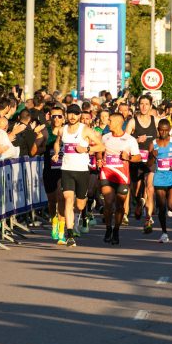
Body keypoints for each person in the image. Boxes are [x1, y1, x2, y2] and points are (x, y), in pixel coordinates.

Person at [52, 104, 104, 246]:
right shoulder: (62, 130)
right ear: (66, 115)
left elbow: (101, 146)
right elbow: (57, 143)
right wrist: (57, 153)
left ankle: (78, 215)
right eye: (70, 114)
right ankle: (69, 235)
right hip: (66, 169)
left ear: (79, 115)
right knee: (68, 199)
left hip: (82, 171)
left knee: (80, 204)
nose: (72, 117)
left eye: (75, 114)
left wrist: (86, 148)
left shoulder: (85, 130)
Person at [98, 112, 142, 246]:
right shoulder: (105, 137)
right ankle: (108, 229)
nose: (108, 122)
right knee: (108, 202)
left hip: (122, 176)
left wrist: (128, 157)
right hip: (107, 173)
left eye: (110, 120)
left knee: (119, 205)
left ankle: (116, 230)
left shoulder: (130, 139)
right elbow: (99, 149)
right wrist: (99, 158)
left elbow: (138, 157)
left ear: (118, 123)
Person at [150, 119, 172, 243]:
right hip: (159, 177)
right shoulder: (153, 143)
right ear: (158, 130)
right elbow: (149, 165)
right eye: (161, 130)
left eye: (166, 130)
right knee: (161, 206)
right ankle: (164, 232)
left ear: (169, 130)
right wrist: (152, 156)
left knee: (170, 206)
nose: (163, 132)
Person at [126, 95, 157, 232]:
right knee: (136, 191)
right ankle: (139, 203)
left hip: (150, 159)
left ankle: (148, 218)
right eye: (142, 104)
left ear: (151, 106)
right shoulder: (133, 122)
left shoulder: (155, 120)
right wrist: (136, 140)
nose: (144, 106)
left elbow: (165, 135)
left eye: (146, 104)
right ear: (138, 105)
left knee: (150, 187)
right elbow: (125, 139)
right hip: (136, 159)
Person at [44, 105, 66, 237]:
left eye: (59, 116)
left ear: (64, 118)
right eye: (54, 116)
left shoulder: (68, 131)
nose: (56, 119)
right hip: (49, 170)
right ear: (50, 118)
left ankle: (62, 229)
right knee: (52, 201)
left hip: (64, 170)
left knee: (61, 197)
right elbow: (35, 150)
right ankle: (54, 220)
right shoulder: (45, 132)